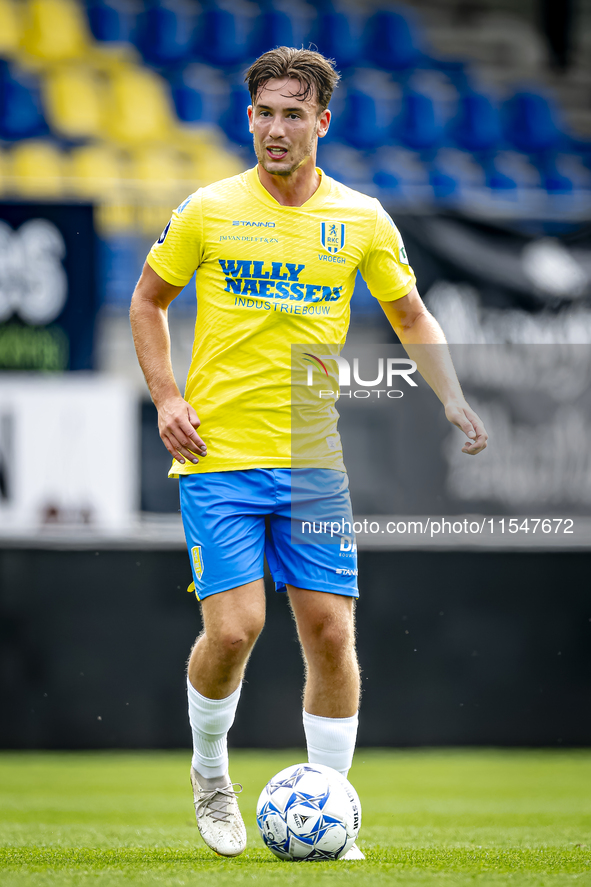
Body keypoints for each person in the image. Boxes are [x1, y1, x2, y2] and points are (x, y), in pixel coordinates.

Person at [130, 46, 488, 861]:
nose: (276, 128)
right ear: (247, 118)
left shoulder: (359, 218)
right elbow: (148, 301)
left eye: (294, 112)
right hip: (217, 455)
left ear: (322, 122)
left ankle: (334, 805)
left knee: (329, 632)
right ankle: (211, 773)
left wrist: (453, 393)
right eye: (264, 112)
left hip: (311, 463)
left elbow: (411, 315)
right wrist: (167, 396)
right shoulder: (207, 210)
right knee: (235, 630)